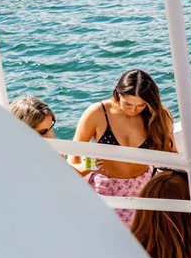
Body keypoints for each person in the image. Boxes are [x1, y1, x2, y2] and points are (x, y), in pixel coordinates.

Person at [74, 69, 175, 208]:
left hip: (145, 189)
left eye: (141, 105)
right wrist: (90, 165)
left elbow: (172, 154)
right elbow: (73, 158)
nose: (133, 110)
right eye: (128, 104)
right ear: (118, 93)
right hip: (106, 191)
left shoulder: (157, 116)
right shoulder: (98, 113)